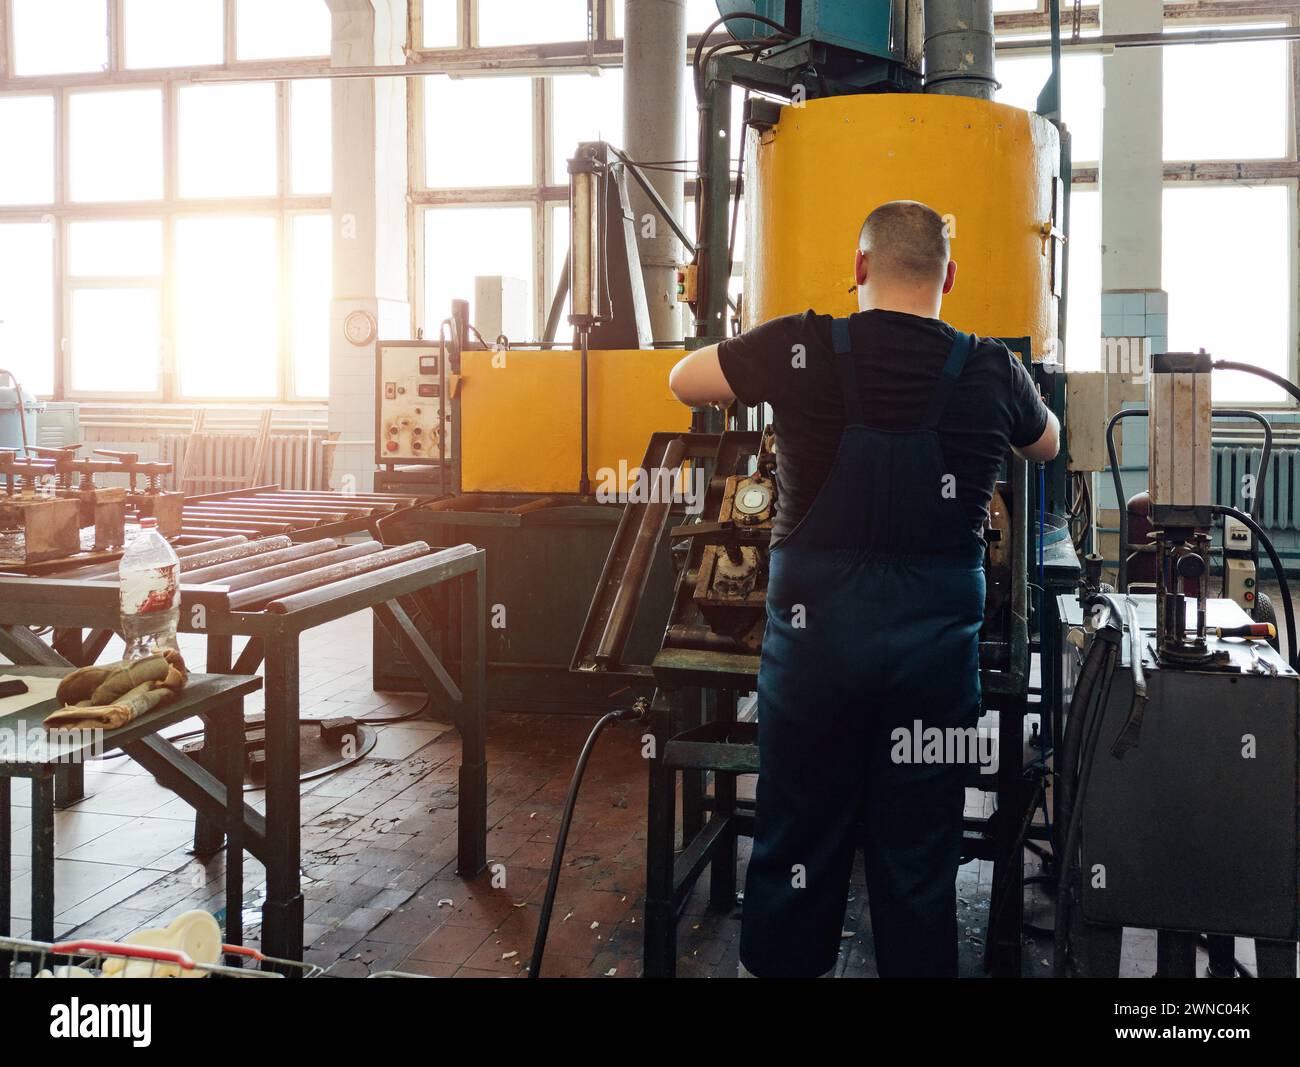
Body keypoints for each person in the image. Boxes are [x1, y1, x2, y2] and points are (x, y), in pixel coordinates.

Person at [668, 200, 1059, 978]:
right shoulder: (991, 368)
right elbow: (1048, 443)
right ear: (949, 276)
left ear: (858, 269)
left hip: (814, 664)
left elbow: (684, 379)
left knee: (797, 843)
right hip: (932, 669)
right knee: (919, 860)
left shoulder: (802, 343)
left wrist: (763, 354)